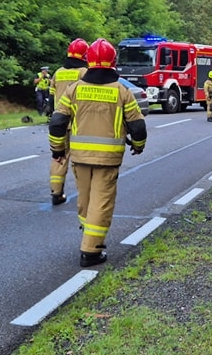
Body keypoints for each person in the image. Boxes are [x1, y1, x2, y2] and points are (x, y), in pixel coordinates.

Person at [49, 38, 147, 267]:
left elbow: (57, 122)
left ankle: (88, 230)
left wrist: (58, 150)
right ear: (114, 62)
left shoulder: (75, 89)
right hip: (108, 159)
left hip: (80, 156)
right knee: (101, 202)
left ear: (89, 62)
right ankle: (91, 251)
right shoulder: (122, 91)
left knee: (85, 199)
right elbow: (138, 126)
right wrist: (138, 145)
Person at [48, 38, 91, 205]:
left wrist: (53, 117)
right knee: (82, 159)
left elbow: (51, 98)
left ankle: (56, 193)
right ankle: (85, 194)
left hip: (59, 122)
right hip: (78, 123)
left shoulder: (58, 73)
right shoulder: (84, 73)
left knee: (59, 157)